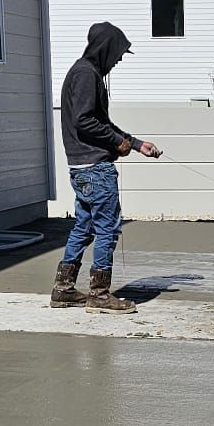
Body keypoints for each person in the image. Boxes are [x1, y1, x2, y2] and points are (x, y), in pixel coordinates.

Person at [51, 22, 161, 313]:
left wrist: (135, 144)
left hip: (80, 166)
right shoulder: (87, 74)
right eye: (118, 53)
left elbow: (98, 122)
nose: (119, 59)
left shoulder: (82, 72)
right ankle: (99, 296)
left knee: (84, 227)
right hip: (94, 169)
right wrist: (116, 141)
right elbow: (84, 121)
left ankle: (63, 289)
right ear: (106, 48)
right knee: (107, 229)